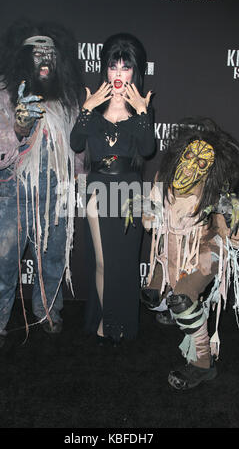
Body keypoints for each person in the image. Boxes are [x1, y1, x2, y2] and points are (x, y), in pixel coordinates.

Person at [0, 20, 82, 350]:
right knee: (3, 262)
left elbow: (77, 153)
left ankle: (48, 312)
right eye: (36, 53)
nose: (45, 60)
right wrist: (19, 129)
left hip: (55, 193)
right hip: (9, 194)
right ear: (21, 58)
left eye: (50, 53)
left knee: (52, 260)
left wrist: (79, 186)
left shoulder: (67, 101)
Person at [143, 118, 239, 389]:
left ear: (211, 170)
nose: (191, 164)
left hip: (208, 250)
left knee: (183, 298)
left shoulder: (217, 194)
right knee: (152, 295)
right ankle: (174, 306)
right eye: (189, 155)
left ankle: (203, 364)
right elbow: (150, 221)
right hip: (174, 249)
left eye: (202, 163)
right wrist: (152, 212)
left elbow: (238, 245)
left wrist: (235, 224)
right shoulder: (164, 179)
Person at [70, 33, 155, 345]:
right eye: (113, 67)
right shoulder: (93, 107)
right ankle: (108, 320)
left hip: (132, 192)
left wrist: (143, 114)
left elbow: (147, 150)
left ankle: (121, 323)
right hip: (99, 190)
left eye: (126, 68)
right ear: (105, 70)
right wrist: (86, 110)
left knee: (125, 263)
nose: (119, 75)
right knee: (104, 261)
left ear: (135, 72)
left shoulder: (140, 108)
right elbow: (76, 143)